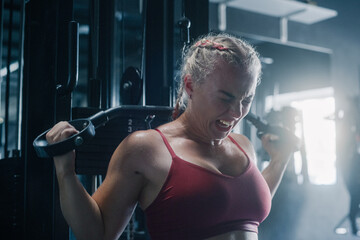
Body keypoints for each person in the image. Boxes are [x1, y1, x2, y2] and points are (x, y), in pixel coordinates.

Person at [47, 33, 298, 240]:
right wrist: (65, 171)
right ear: (190, 86)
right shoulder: (146, 150)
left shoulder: (243, 147)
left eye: (247, 99)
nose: (237, 112)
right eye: (226, 97)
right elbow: (97, 234)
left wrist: (280, 160)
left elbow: (242, 203)